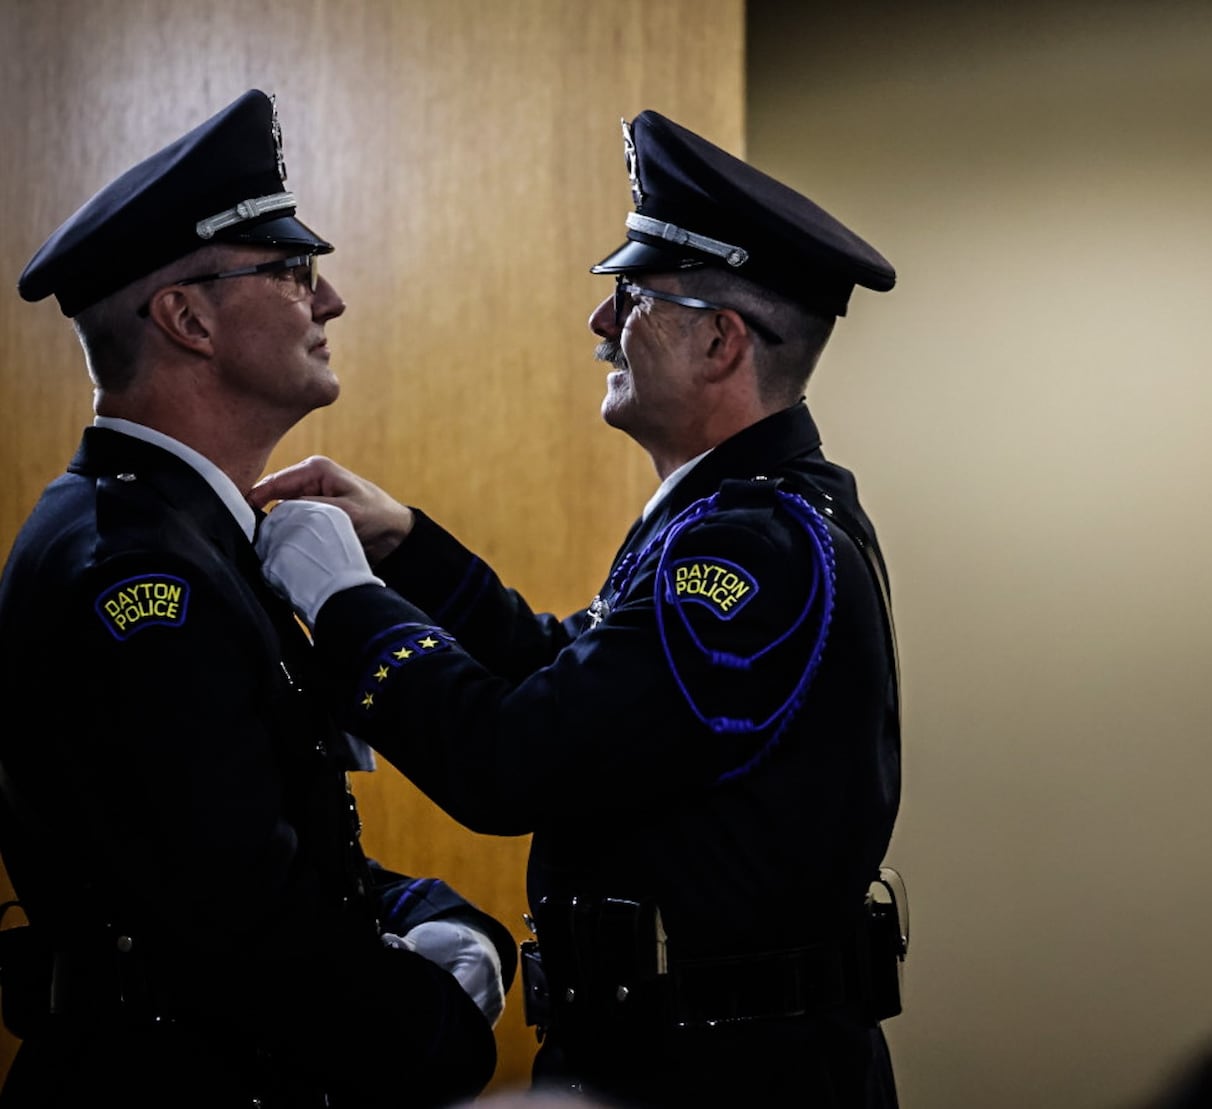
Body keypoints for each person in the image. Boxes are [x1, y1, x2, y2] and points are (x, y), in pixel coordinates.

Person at [249, 109, 906, 1108]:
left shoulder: (749, 546)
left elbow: (518, 758)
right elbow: (576, 674)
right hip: (705, 1050)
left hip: (721, 1072)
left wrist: (341, 599)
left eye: (630, 296)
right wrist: (409, 547)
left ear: (722, 339)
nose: (602, 325)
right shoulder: (732, 514)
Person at [0, 89, 516, 1107]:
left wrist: (436, 914)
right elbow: (238, 919)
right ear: (187, 317)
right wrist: (442, 1033)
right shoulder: (137, 578)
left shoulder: (186, 534)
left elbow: (278, 839)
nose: (330, 302)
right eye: (292, 272)